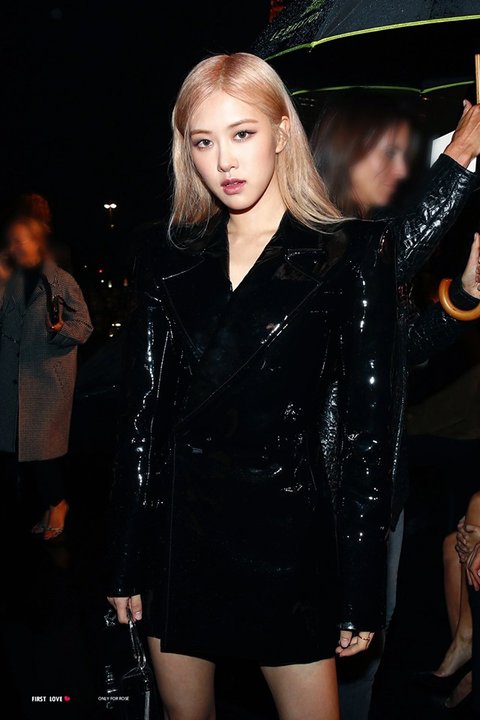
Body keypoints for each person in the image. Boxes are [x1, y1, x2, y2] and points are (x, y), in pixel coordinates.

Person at [106, 52, 399, 720]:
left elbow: (368, 436)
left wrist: (359, 586)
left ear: (282, 132)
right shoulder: (165, 256)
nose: (225, 160)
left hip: (287, 541)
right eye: (203, 142)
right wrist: (125, 560)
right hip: (179, 537)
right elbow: (141, 418)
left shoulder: (350, 252)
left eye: (242, 133)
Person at [310, 89, 480, 720]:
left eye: (402, 154)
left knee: (366, 644)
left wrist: (464, 296)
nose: (399, 167)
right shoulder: (311, 239)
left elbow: (398, 349)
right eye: (383, 152)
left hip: (378, 486)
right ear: (342, 153)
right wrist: (459, 159)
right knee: (328, 647)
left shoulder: (374, 242)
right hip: (323, 492)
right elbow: (380, 271)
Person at [0, 216, 93, 540]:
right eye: (11, 240)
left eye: (20, 239)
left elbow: (84, 326)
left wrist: (60, 329)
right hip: (12, 379)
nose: (14, 246)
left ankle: (58, 504)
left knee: (42, 452)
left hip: (46, 381)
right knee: (17, 449)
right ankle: (47, 504)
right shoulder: (9, 279)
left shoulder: (60, 280)